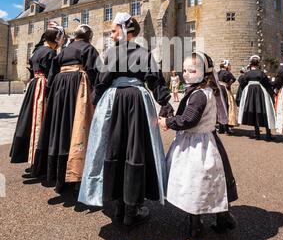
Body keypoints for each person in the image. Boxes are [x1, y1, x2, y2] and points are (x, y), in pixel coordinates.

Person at [78, 12, 174, 228]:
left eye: (113, 31)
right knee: (136, 149)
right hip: (138, 101)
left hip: (114, 102)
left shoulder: (110, 54)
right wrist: (165, 102)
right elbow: (155, 80)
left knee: (113, 148)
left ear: (124, 30)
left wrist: (94, 102)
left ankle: (119, 206)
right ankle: (132, 208)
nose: (111, 35)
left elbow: (101, 82)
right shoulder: (144, 53)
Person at [159, 52, 238, 238]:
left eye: (192, 71)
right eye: (184, 70)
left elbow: (189, 120)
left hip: (198, 145)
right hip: (206, 140)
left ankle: (197, 224)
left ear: (205, 72)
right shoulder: (204, 90)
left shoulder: (199, 95)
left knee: (196, 181)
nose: (186, 74)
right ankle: (220, 217)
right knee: (212, 180)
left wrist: (168, 122)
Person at [32, 24, 99, 192]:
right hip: (78, 89)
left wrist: (51, 94)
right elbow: (95, 73)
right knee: (77, 130)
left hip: (59, 90)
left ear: (75, 36)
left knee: (60, 129)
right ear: (89, 37)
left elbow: (53, 73)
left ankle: (58, 177)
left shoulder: (64, 51)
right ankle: (76, 177)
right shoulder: (89, 49)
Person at [10, 26, 64, 169]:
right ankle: (39, 161)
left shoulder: (37, 51)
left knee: (30, 119)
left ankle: (30, 157)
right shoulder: (51, 53)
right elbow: (52, 75)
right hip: (42, 86)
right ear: (55, 39)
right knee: (40, 121)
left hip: (33, 84)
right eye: (59, 40)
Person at [238, 55, 275, 140]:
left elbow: (242, 82)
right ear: (258, 63)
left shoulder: (247, 73)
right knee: (265, 111)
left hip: (249, 94)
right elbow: (267, 83)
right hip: (260, 93)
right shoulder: (261, 73)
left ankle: (257, 134)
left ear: (250, 64)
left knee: (254, 111)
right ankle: (268, 134)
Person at [218, 60, 238, 134]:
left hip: (218, 90)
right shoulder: (227, 73)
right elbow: (233, 79)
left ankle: (220, 128)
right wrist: (229, 84)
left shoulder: (218, 73)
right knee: (227, 107)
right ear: (226, 66)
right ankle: (226, 128)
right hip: (225, 90)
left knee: (220, 108)